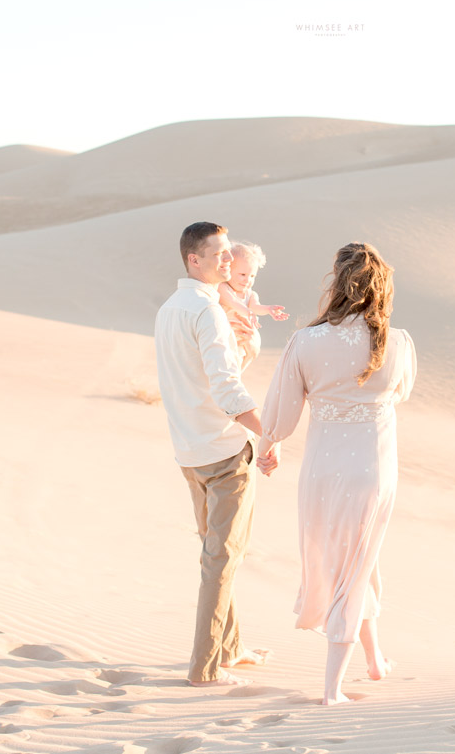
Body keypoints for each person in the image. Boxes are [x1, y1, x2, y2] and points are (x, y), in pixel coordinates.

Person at [256, 242, 417, 705]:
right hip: (374, 471)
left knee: (350, 562)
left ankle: (374, 660)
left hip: (322, 472)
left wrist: (269, 448)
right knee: (359, 560)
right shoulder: (398, 342)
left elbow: (280, 415)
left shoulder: (305, 341)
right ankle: (333, 690)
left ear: (336, 283)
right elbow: (401, 393)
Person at [155, 221, 281, 687]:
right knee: (222, 561)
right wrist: (268, 436)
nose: (229, 261)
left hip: (190, 450)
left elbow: (194, 375)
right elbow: (227, 387)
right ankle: (205, 668)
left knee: (216, 554)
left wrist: (242, 345)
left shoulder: (172, 307)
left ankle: (230, 647)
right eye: (220, 254)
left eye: (230, 254)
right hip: (225, 452)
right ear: (194, 259)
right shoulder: (206, 311)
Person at [217, 241, 289, 372]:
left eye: (252, 276)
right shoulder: (223, 288)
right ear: (228, 270)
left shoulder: (250, 294)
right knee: (228, 365)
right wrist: (248, 313)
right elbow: (232, 302)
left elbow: (256, 307)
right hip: (228, 338)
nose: (247, 280)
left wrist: (268, 309)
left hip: (244, 341)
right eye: (242, 274)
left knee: (240, 363)